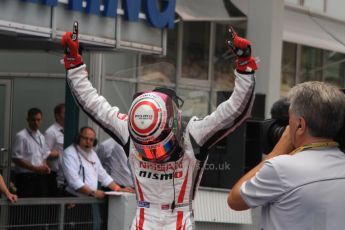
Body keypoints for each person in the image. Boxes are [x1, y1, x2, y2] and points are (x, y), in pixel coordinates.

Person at [61, 27, 257, 229]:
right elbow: (93, 105)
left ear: (173, 123)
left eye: (158, 145)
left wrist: (244, 67)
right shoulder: (129, 128)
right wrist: (74, 64)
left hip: (179, 220)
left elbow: (234, 111)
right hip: (144, 218)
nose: (153, 153)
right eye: (145, 147)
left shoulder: (193, 135)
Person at [228, 81, 345, 230]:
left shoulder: (281, 168)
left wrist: (276, 152)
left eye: (290, 120)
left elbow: (235, 200)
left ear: (300, 125)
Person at [62, 126, 131, 198]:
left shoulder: (92, 154)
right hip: (73, 199)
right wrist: (92, 193)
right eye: (85, 138)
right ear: (78, 138)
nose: (88, 142)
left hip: (89, 197)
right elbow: (73, 180)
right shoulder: (69, 153)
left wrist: (118, 189)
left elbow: (103, 176)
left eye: (91, 140)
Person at [12, 107, 53, 197]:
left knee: (39, 205)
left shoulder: (41, 136)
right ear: (28, 120)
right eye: (33, 120)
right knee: (25, 207)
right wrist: (35, 168)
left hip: (40, 177)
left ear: (41, 120)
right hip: (25, 178)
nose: (36, 122)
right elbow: (16, 158)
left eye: (38, 120)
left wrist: (45, 166)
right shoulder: (21, 136)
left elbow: (44, 156)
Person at [44, 103, 65, 196]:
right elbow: (45, 154)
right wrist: (60, 152)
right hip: (54, 174)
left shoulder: (69, 130)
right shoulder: (51, 132)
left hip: (67, 173)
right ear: (57, 115)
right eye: (65, 113)